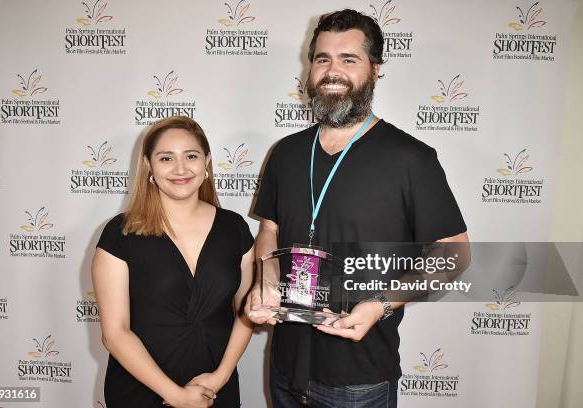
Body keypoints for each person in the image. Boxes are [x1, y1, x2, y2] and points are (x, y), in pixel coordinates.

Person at [246, 9, 469, 408]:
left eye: (349, 59)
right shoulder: (286, 153)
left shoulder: (410, 158)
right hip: (285, 367)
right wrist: (265, 279)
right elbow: (270, 232)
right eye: (322, 58)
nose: (333, 71)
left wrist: (381, 304)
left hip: (359, 380)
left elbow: (454, 252)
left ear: (375, 69)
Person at [92, 116, 255, 408]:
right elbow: (115, 333)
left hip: (215, 389)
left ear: (206, 161)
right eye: (166, 158)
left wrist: (220, 376)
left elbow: (248, 311)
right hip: (141, 391)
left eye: (191, 156)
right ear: (148, 165)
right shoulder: (120, 233)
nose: (180, 169)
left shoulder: (235, 228)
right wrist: (175, 395)